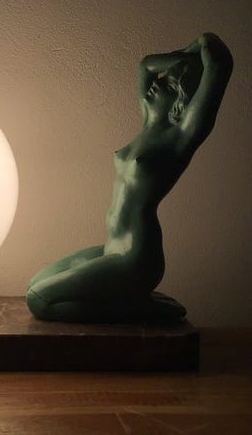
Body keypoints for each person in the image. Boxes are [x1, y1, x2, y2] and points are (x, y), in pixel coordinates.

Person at [26, 33, 233, 322]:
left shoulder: (182, 135)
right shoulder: (148, 122)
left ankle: (141, 310)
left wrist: (196, 53)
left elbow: (219, 60)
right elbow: (146, 65)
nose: (156, 83)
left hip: (136, 257)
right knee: (34, 284)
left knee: (38, 301)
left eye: (167, 84)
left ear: (181, 99)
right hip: (111, 247)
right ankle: (131, 301)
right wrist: (183, 58)